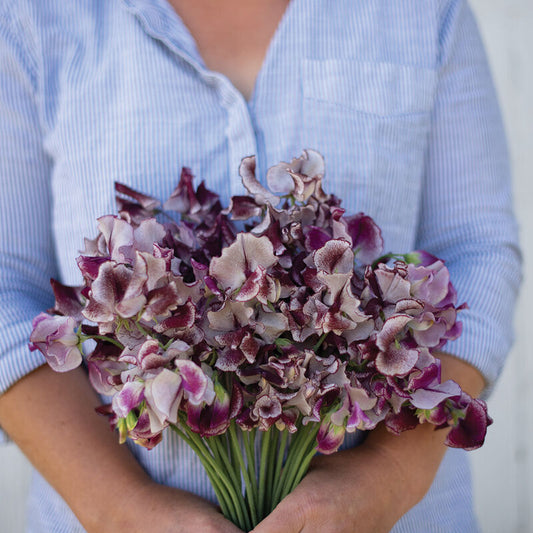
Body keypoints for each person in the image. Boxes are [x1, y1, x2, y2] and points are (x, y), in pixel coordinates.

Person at [0, 1, 521, 532]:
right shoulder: (32, 16)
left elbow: (475, 250)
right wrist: (121, 510)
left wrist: (385, 478)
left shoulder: (425, 11)